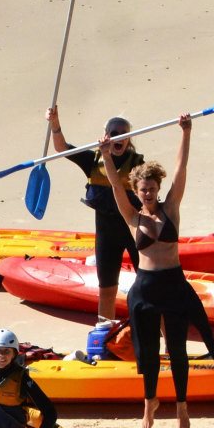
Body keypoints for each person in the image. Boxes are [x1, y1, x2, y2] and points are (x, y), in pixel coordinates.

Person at [101, 113, 214, 428]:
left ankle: (182, 404)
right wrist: (104, 153)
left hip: (173, 285)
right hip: (145, 288)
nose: (147, 193)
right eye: (142, 189)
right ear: (137, 189)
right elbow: (115, 183)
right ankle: (150, 401)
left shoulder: (171, 208)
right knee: (148, 351)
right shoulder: (131, 215)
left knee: (177, 349)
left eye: (152, 188)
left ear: (158, 187)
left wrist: (186, 131)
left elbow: (181, 171)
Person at [49, 106, 144, 322]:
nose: (119, 137)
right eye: (114, 133)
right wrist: (55, 123)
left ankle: (163, 339)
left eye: (123, 133)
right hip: (107, 234)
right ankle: (104, 338)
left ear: (130, 139)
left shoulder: (139, 165)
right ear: (106, 136)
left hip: (135, 232)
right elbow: (61, 147)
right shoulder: (93, 160)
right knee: (107, 290)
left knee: (150, 287)